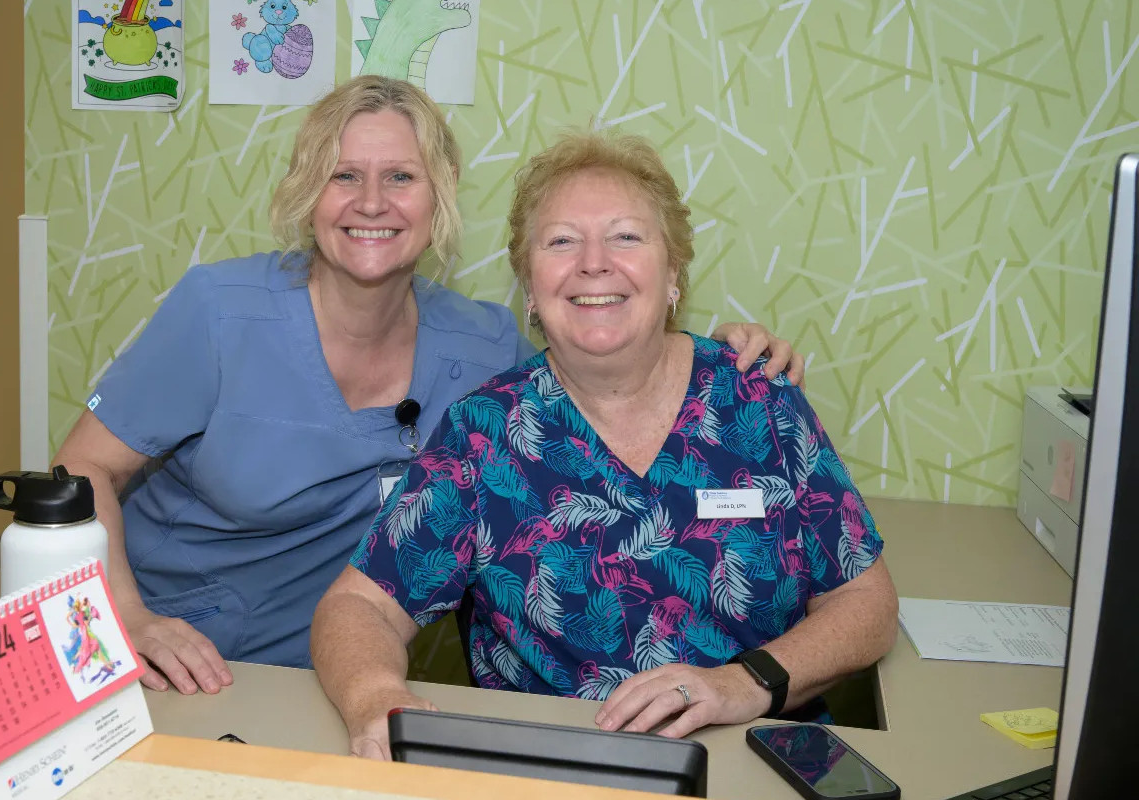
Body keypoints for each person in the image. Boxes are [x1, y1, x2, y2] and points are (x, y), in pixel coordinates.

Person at [52, 76, 806, 698]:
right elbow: (79, 469)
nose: (372, 202)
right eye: (343, 176)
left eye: (400, 177)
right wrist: (124, 615)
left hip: (330, 673)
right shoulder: (217, 314)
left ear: (438, 196)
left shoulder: (482, 346)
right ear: (307, 193)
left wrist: (727, 352)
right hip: (162, 652)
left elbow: (598, 354)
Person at [309, 130, 898, 760]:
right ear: (529, 288)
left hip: (755, 761)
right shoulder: (486, 434)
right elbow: (357, 606)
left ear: (673, 272)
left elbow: (866, 601)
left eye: (626, 236)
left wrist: (743, 683)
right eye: (562, 241)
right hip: (559, 767)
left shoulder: (759, 398)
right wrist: (375, 695)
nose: (594, 263)